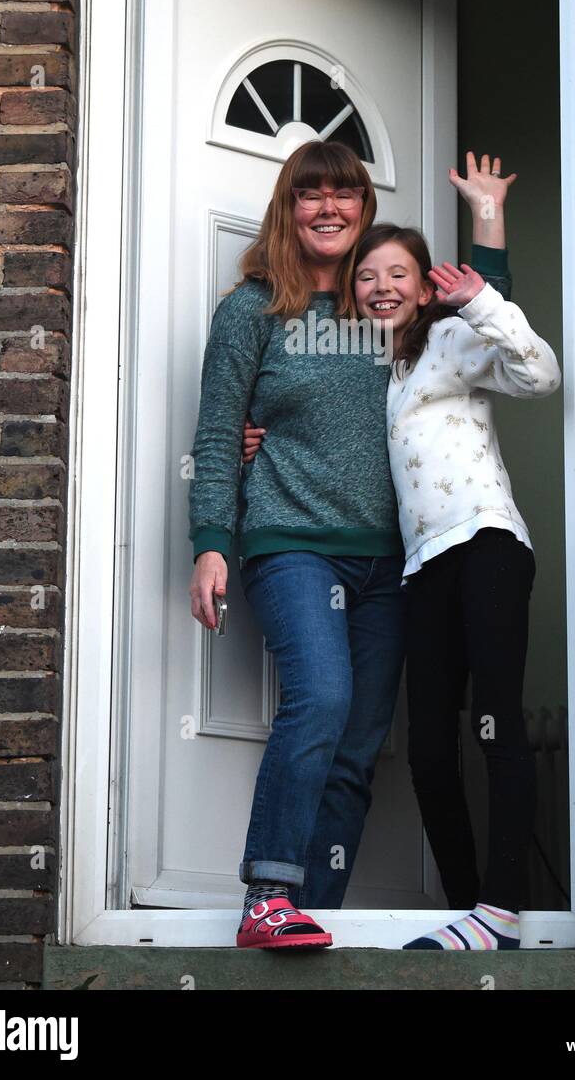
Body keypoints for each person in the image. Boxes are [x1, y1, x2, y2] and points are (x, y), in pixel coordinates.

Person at [242, 152, 562, 949]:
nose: (381, 287)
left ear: (425, 289)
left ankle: (502, 909)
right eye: (367, 278)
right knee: (424, 751)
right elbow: (329, 432)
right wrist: (265, 444)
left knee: (494, 723)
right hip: (419, 570)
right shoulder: (378, 365)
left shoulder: (452, 341)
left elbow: (537, 369)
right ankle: (468, 913)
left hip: (485, 543)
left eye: (400, 276)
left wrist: (486, 246)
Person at [188, 138, 408, 949]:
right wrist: (212, 541)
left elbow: (486, 325)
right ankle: (269, 896)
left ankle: (318, 915)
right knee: (320, 698)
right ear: (289, 206)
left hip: (392, 558)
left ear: (363, 209)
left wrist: (488, 223)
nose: (328, 207)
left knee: (359, 749)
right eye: (310, 192)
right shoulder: (253, 308)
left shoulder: (388, 307)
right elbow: (217, 434)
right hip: (290, 543)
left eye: (344, 194)